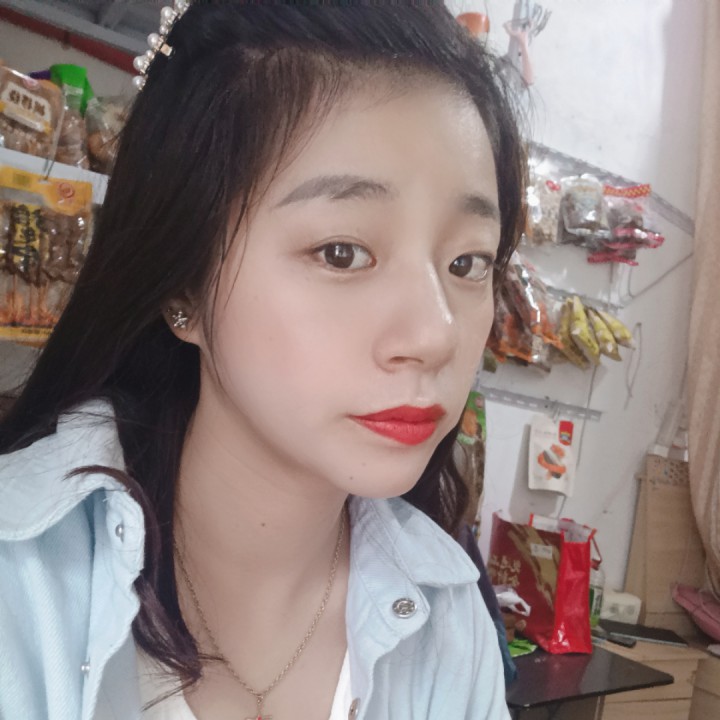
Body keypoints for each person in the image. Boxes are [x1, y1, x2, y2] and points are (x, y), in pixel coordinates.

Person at [0, 2, 525, 718]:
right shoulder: (21, 586)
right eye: (342, 253)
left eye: (467, 262)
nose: (436, 334)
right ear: (185, 281)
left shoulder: (450, 625)